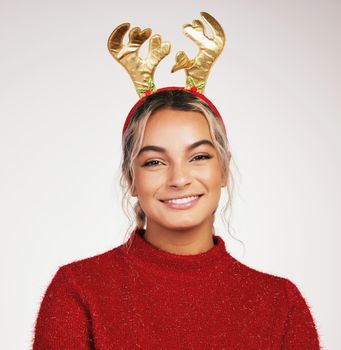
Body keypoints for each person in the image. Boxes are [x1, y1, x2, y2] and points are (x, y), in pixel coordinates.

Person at [32, 12, 322, 349]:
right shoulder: (78, 291)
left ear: (224, 170)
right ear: (131, 179)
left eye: (198, 156)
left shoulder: (280, 303)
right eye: (155, 161)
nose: (179, 178)